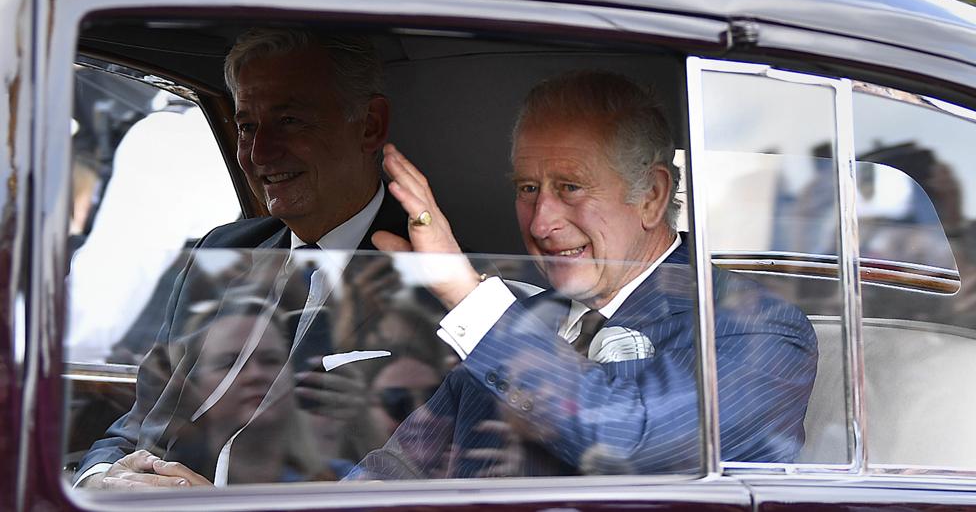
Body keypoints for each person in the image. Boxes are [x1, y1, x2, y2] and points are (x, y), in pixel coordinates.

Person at [353, 70, 818, 478]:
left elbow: (629, 443)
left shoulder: (757, 328)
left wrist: (464, 293)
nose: (540, 223)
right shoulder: (518, 322)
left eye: (571, 187)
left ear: (652, 197)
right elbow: (399, 470)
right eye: (528, 188)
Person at [74, 28, 406, 488]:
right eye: (248, 126)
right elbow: (138, 426)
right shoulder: (222, 252)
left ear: (369, 125)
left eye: (289, 120)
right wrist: (97, 480)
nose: (260, 152)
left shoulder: (438, 278)